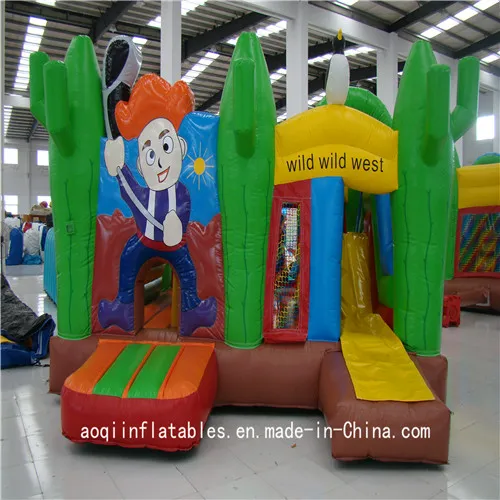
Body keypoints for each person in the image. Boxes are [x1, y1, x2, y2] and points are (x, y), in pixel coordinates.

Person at [97, 75, 216, 335]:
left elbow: (183, 207)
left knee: (187, 269)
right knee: (128, 260)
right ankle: (122, 307)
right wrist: (119, 169)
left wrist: (176, 223)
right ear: (141, 166)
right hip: (143, 241)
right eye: (150, 154)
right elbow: (130, 193)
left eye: (165, 146)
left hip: (176, 245)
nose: (160, 161)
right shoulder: (142, 193)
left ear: (180, 148)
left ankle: (193, 309)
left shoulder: (181, 192)